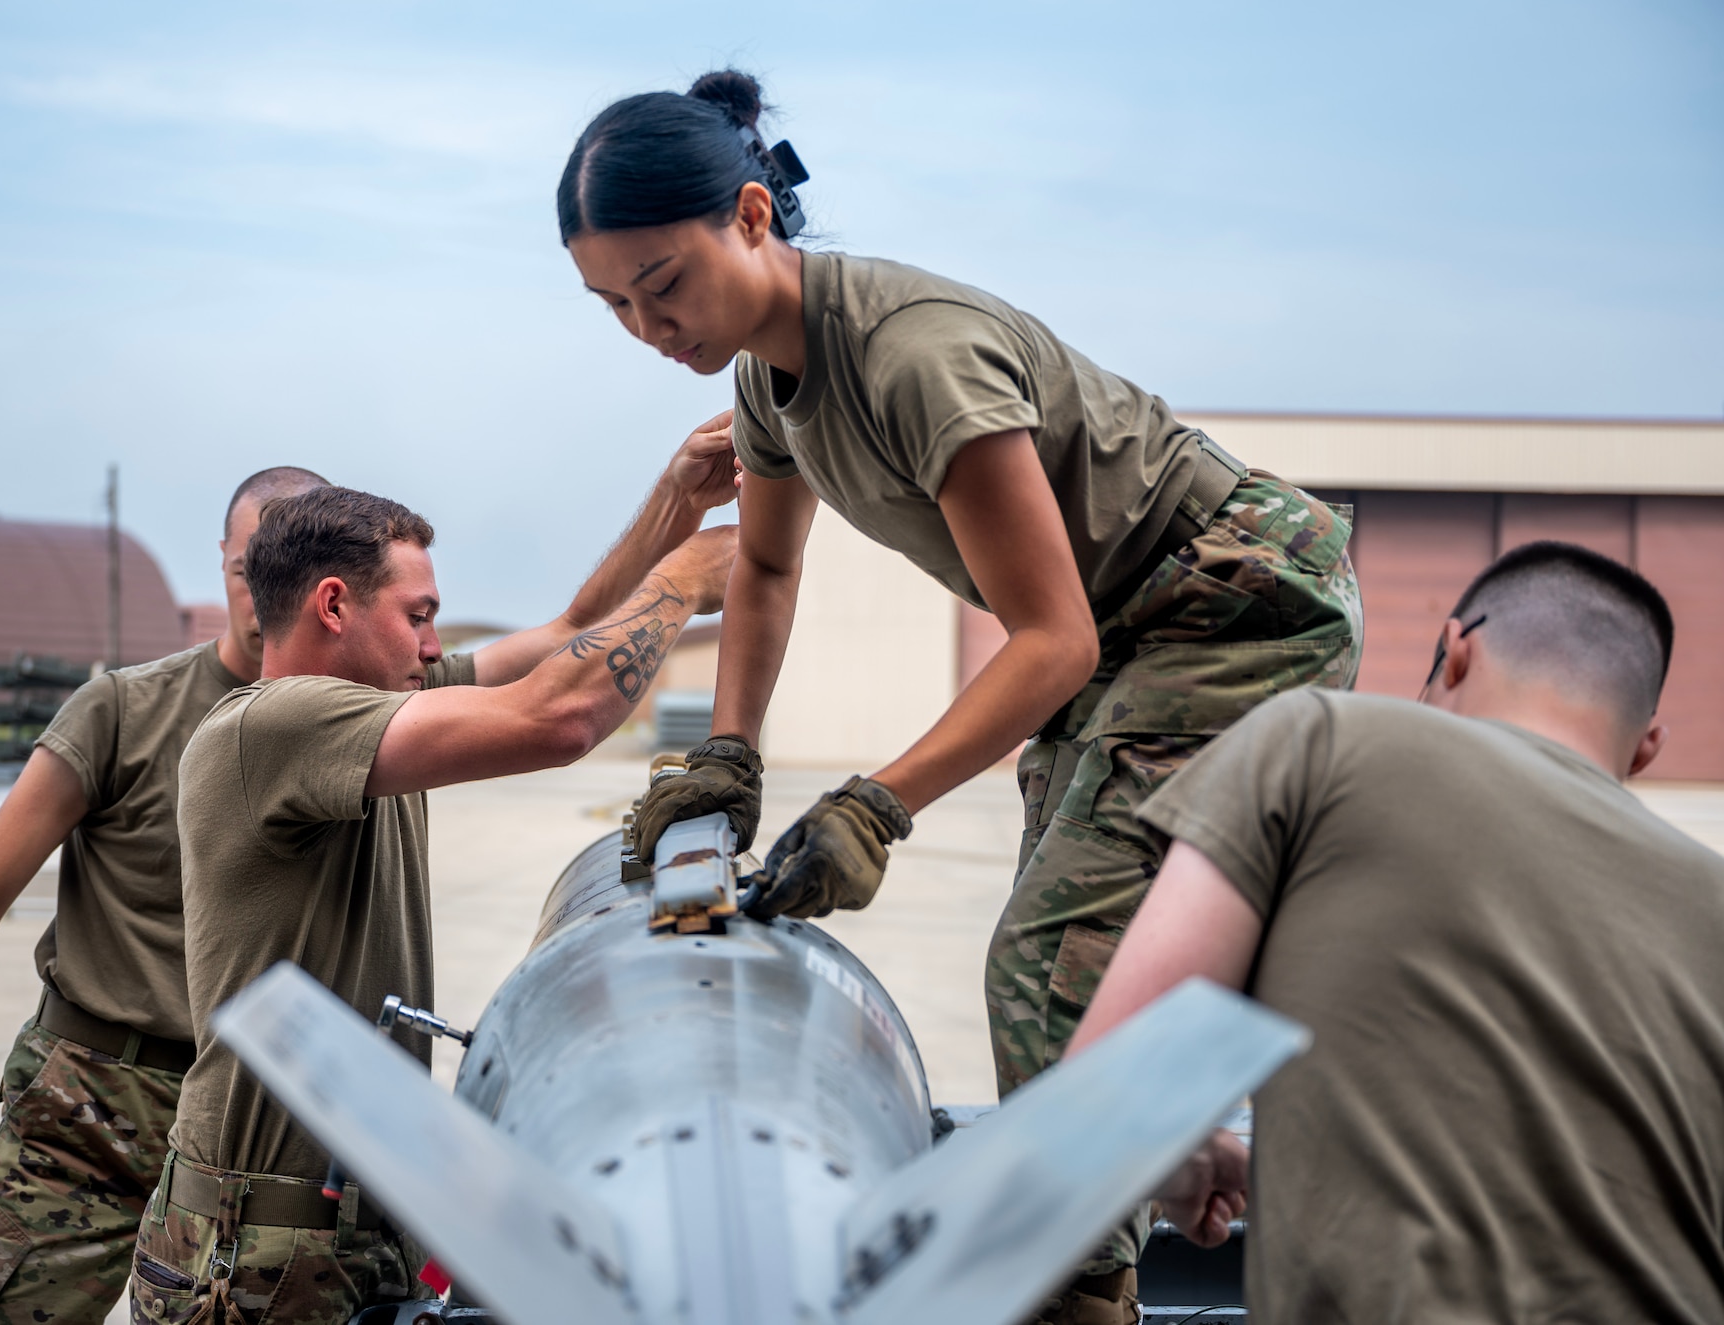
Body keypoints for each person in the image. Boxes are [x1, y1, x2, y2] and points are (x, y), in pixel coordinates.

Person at [558, 68, 1362, 1321]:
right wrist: (727, 756)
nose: (646, 325)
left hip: (1230, 601)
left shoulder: (912, 356)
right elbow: (762, 569)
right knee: (1086, 958)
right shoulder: (766, 384)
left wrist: (874, 805)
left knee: (1045, 963)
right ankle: (1178, 1150)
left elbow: (1051, 638)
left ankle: (1074, 1295)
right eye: (611, 304)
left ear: (752, 217)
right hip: (1130, 624)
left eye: (661, 282)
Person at [1071, 541, 1724, 1325]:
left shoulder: (1318, 741)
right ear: (1646, 747)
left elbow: (1110, 1097)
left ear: (1455, 652)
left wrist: (1180, 1156)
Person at [127, 484, 734, 1324]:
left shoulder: (386, 698)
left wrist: (679, 497)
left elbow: (569, 637)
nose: (434, 644)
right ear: (333, 605)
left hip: (349, 1230)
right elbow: (559, 716)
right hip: (261, 1253)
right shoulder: (270, 726)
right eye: (418, 616)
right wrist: (685, 580)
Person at [0, 463, 332, 1325]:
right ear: (223, 562)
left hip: (247, 1133)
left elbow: (540, 680)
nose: (264, 595)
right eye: (246, 570)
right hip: (88, 1116)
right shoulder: (123, 709)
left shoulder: (355, 724)